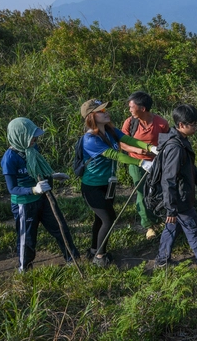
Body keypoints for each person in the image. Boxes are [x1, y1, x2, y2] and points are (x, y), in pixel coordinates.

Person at [80, 99, 157, 267]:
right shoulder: (89, 139)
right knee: (108, 218)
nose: (106, 113)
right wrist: (141, 163)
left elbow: (130, 141)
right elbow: (115, 155)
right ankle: (99, 256)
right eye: (101, 111)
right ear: (91, 116)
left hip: (108, 184)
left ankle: (94, 249)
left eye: (105, 110)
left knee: (100, 220)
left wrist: (150, 148)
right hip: (92, 186)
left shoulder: (110, 130)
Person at [1, 117, 80, 272]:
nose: (35, 139)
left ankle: (72, 258)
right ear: (20, 136)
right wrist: (33, 190)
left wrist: (52, 176)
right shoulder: (9, 159)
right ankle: (25, 268)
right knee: (28, 238)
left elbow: (38, 170)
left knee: (60, 227)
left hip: (43, 198)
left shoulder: (32, 149)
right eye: (31, 136)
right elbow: (12, 189)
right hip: (25, 203)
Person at [154, 104, 197, 268]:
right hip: (180, 199)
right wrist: (171, 208)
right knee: (195, 231)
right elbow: (169, 179)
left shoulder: (182, 141)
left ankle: (162, 260)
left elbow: (189, 168)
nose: (196, 127)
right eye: (193, 124)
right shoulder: (175, 147)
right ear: (181, 125)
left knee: (172, 229)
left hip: (180, 197)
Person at [120, 91, 170, 240]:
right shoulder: (130, 123)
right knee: (141, 192)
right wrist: (136, 150)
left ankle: (160, 217)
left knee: (158, 190)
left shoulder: (161, 123)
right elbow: (122, 143)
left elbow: (167, 143)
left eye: (131, 107)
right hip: (137, 163)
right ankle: (149, 225)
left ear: (142, 108)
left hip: (156, 163)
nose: (129, 110)